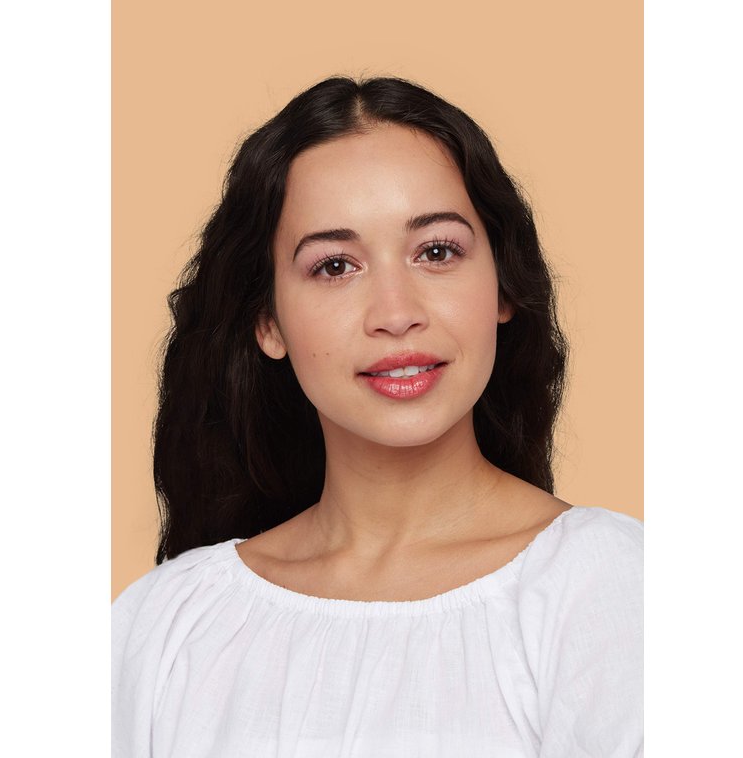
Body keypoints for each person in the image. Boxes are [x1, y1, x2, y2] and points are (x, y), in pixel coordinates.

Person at [112, 76, 643, 757]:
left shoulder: (612, 588)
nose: (396, 313)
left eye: (437, 252)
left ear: (503, 287)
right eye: (335, 266)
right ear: (267, 321)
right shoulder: (163, 624)